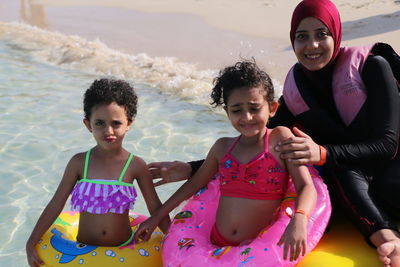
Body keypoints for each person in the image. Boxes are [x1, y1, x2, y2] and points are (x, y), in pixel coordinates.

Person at [149, 1, 400, 266]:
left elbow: (388, 144)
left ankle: (388, 239)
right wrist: (189, 168)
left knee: (337, 167)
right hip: (350, 180)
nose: (312, 45)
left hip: (391, 168)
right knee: (338, 170)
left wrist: (324, 153)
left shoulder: (372, 66)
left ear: (336, 34)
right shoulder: (296, 91)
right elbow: (255, 145)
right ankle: (387, 238)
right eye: (302, 37)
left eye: (321, 34)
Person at [135, 61, 317, 261]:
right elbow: (194, 184)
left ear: (272, 108)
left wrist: (299, 220)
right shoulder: (222, 148)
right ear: (227, 112)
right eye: (237, 110)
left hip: (258, 250)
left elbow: (306, 186)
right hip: (216, 242)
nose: (247, 117)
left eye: (254, 108)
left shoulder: (280, 139)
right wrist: (156, 217)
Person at [25, 78, 169, 267]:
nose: (108, 130)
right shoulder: (79, 163)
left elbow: (155, 208)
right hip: (82, 250)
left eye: (116, 123)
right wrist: (31, 242)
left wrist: (176, 241)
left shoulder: (135, 165)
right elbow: (55, 204)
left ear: (129, 124)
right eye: (100, 123)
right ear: (88, 124)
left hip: (124, 251)